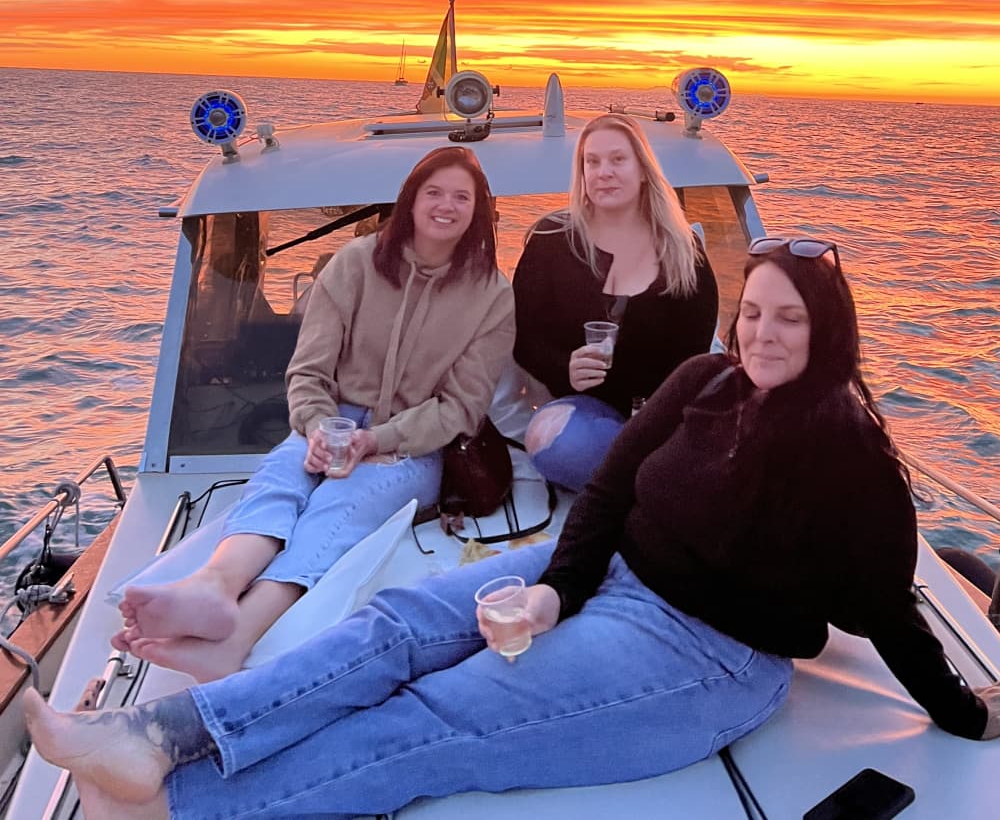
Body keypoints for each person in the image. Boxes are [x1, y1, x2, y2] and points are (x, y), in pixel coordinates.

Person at [29, 236, 999, 819]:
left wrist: (959, 709)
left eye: (785, 318)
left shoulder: (849, 453)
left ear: (828, 327)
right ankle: (162, 731)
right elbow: (613, 488)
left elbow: (883, 601)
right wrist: (553, 588)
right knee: (395, 626)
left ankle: (187, 805)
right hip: (605, 573)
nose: (758, 333)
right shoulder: (705, 382)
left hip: (707, 655)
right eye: (749, 312)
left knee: (437, 715)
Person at [111, 145, 515, 682]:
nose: (446, 206)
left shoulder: (492, 294)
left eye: (461, 197)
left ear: (478, 211)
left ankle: (237, 635)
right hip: (336, 417)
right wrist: (320, 427)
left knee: (339, 508)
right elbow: (308, 371)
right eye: (433, 192)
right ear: (410, 199)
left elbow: (462, 407)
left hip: (414, 443)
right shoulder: (356, 264)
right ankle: (213, 586)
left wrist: (381, 441)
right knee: (281, 480)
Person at [515, 112, 718, 489]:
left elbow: (695, 359)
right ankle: (643, 485)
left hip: (660, 421)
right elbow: (523, 335)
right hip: (580, 414)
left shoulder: (684, 253)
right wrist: (564, 368)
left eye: (617, 160)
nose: (603, 171)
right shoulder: (551, 239)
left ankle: (640, 480)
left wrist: (657, 420)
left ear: (643, 169)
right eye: (592, 162)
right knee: (554, 441)